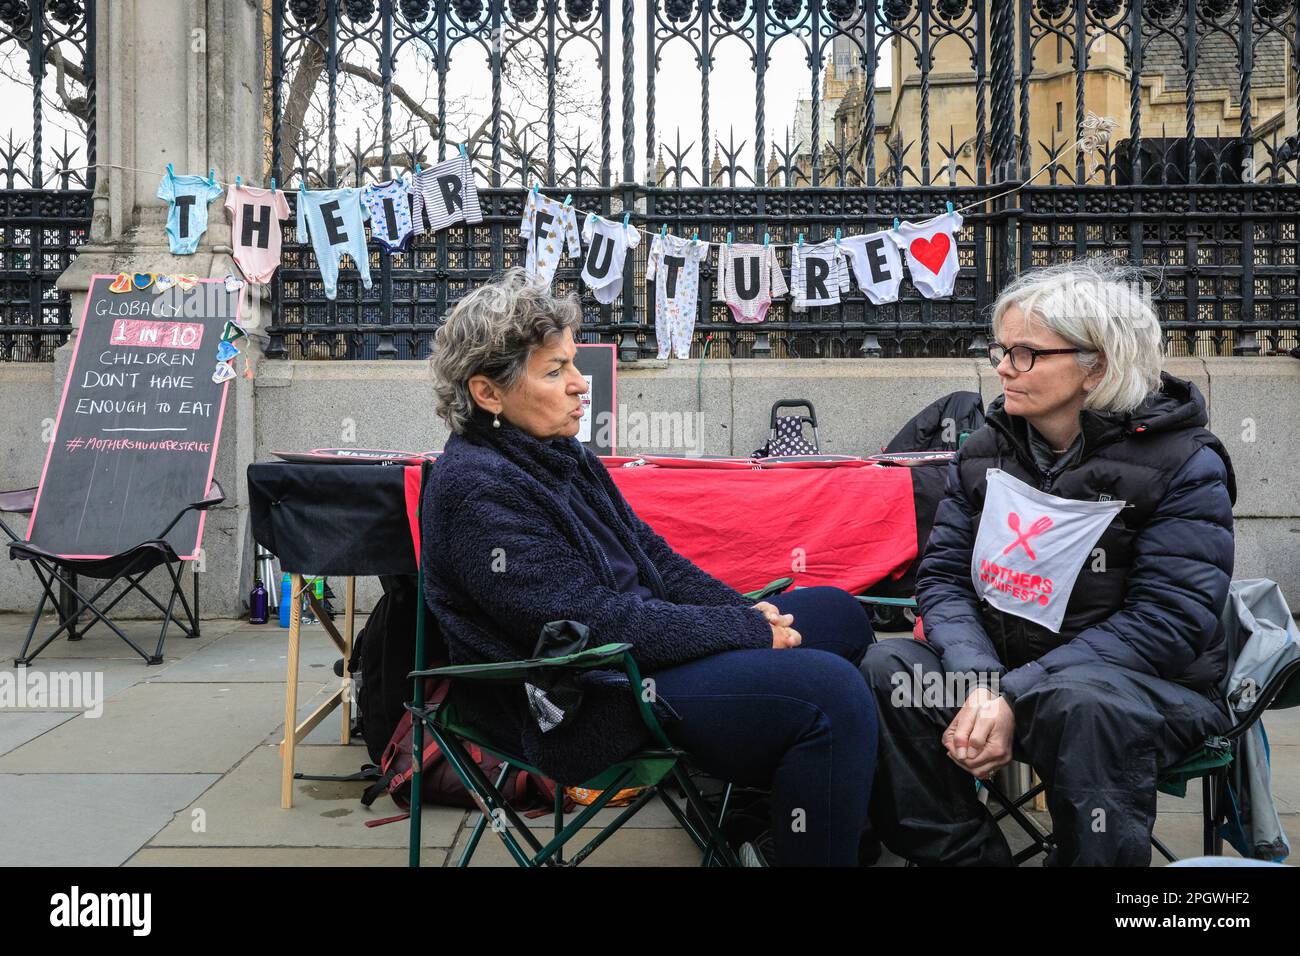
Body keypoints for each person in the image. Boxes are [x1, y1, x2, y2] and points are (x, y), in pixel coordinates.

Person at [423, 267, 877, 866]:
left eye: (572, 364)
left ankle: (765, 814)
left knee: (842, 616)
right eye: (555, 370)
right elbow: (589, 624)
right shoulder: (476, 490)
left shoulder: (558, 451)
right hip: (588, 693)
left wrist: (742, 613)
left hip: (640, 648)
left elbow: (652, 557)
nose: (580, 384)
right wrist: (741, 631)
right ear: (488, 393)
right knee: (832, 694)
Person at [861, 258, 1237, 866]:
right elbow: (944, 580)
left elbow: (1169, 621)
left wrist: (1012, 694)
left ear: (1098, 366)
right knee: (888, 670)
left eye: (1026, 353)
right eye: (1000, 350)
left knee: (1082, 704)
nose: (1004, 368)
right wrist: (982, 682)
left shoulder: (1185, 464)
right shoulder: (986, 448)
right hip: (1000, 677)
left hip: (1136, 692)